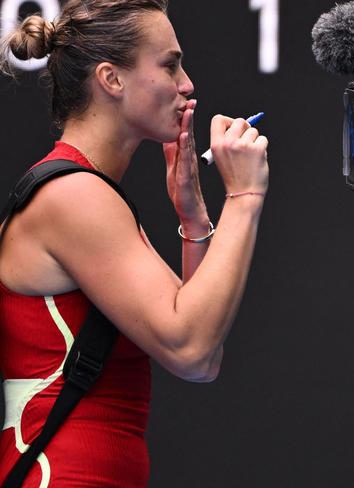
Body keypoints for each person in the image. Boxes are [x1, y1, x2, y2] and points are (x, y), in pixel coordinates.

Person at [0, 0, 269, 486]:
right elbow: (189, 348)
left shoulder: (91, 193)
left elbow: (202, 357)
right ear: (112, 79)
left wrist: (194, 216)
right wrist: (245, 196)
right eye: (169, 65)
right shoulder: (74, 195)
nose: (187, 84)